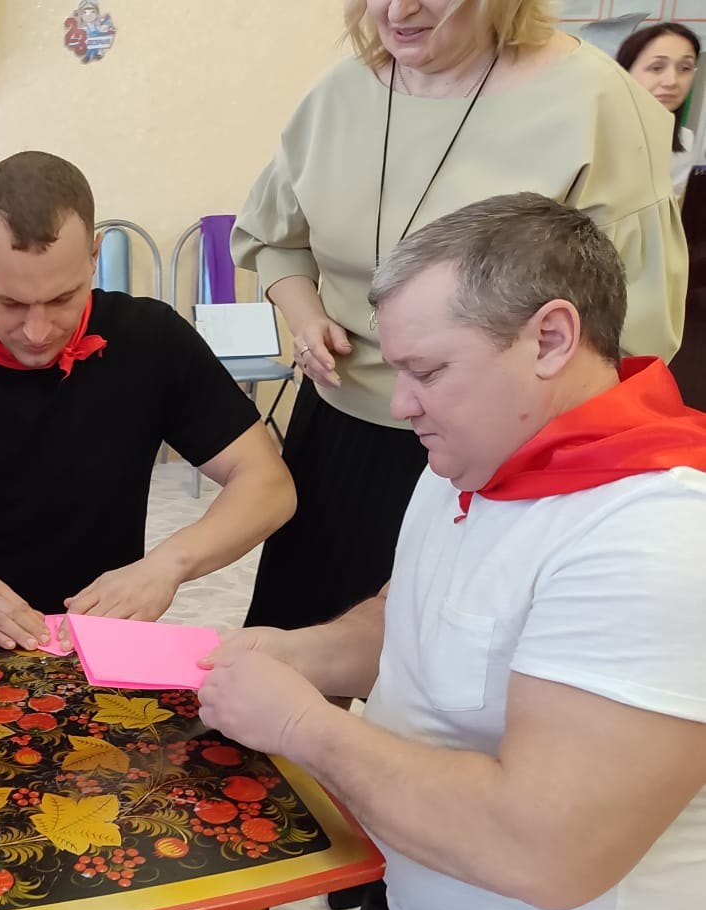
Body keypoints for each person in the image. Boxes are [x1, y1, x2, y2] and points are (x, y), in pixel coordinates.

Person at [200, 194, 706, 910]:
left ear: (551, 337)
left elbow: (546, 850)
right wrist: (295, 652)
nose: (401, 404)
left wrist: (303, 725)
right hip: (442, 887)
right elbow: (411, 616)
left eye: (427, 369)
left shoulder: (654, 533)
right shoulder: (476, 455)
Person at [232, 0, 685, 638]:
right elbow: (272, 237)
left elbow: (629, 335)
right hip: (340, 423)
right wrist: (306, 316)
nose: (399, 9)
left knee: (444, 656)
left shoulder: (595, 100)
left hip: (502, 450)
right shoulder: (341, 92)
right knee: (301, 638)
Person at [0, 151, 295, 650]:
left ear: (94, 256)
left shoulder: (150, 340)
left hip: (102, 636)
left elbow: (268, 485)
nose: (37, 331)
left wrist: (167, 565)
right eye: (10, 302)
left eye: (63, 298)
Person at [617, 21, 702, 197]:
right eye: (656, 68)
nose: (672, 81)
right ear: (624, 72)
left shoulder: (686, 142)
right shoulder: (589, 135)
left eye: (685, 68)